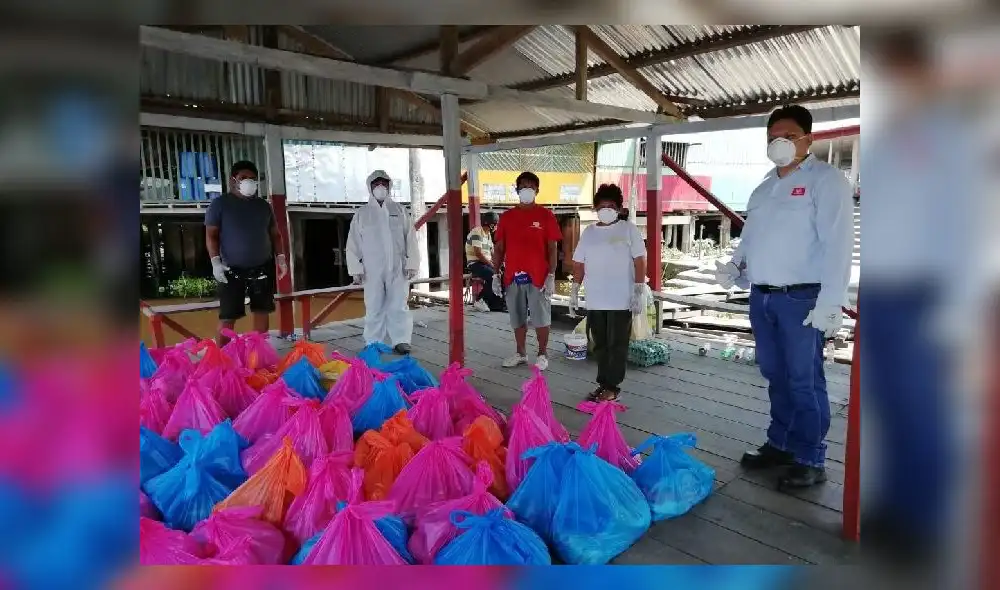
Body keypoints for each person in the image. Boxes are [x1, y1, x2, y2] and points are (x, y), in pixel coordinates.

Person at [714, 105, 853, 489]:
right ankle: (781, 443)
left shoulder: (826, 181)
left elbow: (838, 245)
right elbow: (751, 238)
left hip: (802, 299)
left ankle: (811, 456)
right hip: (762, 297)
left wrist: (830, 302)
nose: (781, 143)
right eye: (774, 137)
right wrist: (735, 266)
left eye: (789, 136)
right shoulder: (764, 187)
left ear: (809, 138)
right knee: (775, 374)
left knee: (804, 379)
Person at [569, 184, 649, 401]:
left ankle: (613, 388)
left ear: (619, 208)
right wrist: (575, 289)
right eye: (602, 206)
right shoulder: (589, 232)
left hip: (621, 299)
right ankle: (603, 383)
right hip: (595, 299)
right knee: (601, 345)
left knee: (617, 345)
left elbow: (640, 260)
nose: (606, 209)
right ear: (595, 208)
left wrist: (638, 289)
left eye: (611, 206)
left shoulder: (628, 229)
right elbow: (578, 263)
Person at [205, 160, 288, 346]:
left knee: (262, 311)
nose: (248, 182)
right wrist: (215, 263)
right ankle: (222, 360)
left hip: (263, 267)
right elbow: (211, 236)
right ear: (233, 180)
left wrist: (281, 258)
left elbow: (275, 234)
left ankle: (256, 355)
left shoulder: (263, 206)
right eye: (243, 178)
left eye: (252, 179)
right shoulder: (219, 205)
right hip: (230, 269)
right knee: (228, 316)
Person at [492, 171, 562, 370]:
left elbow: (552, 248)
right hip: (512, 276)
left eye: (531, 186)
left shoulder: (546, 216)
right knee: (517, 315)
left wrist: (551, 275)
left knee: (541, 316)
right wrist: (495, 274)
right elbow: (499, 248)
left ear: (537, 190)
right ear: (516, 190)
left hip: (538, 276)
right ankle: (520, 353)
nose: (527, 190)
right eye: (523, 186)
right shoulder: (506, 217)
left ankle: (542, 353)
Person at [346, 170, 419, 355]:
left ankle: (401, 340)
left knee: (399, 305)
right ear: (370, 187)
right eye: (376, 183)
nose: (380, 187)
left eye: (383, 183)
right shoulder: (362, 214)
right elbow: (353, 243)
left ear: (389, 186)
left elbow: (410, 239)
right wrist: (356, 268)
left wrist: (412, 263)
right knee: (373, 305)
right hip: (372, 269)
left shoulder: (400, 210)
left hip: (398, 267)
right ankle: (373, 341)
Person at [465, 211, 504, 312]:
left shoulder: (488, 235)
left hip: (485, 263)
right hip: (475, 263)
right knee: (493, 276)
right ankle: (480, 300)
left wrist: (499, 264)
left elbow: (492, 253)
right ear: (491, 224)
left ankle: (496, 304)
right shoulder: (477, 232)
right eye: (496, 224)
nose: (496, 227)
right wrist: (492, 265)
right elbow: (478, 253)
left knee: (503, 274)